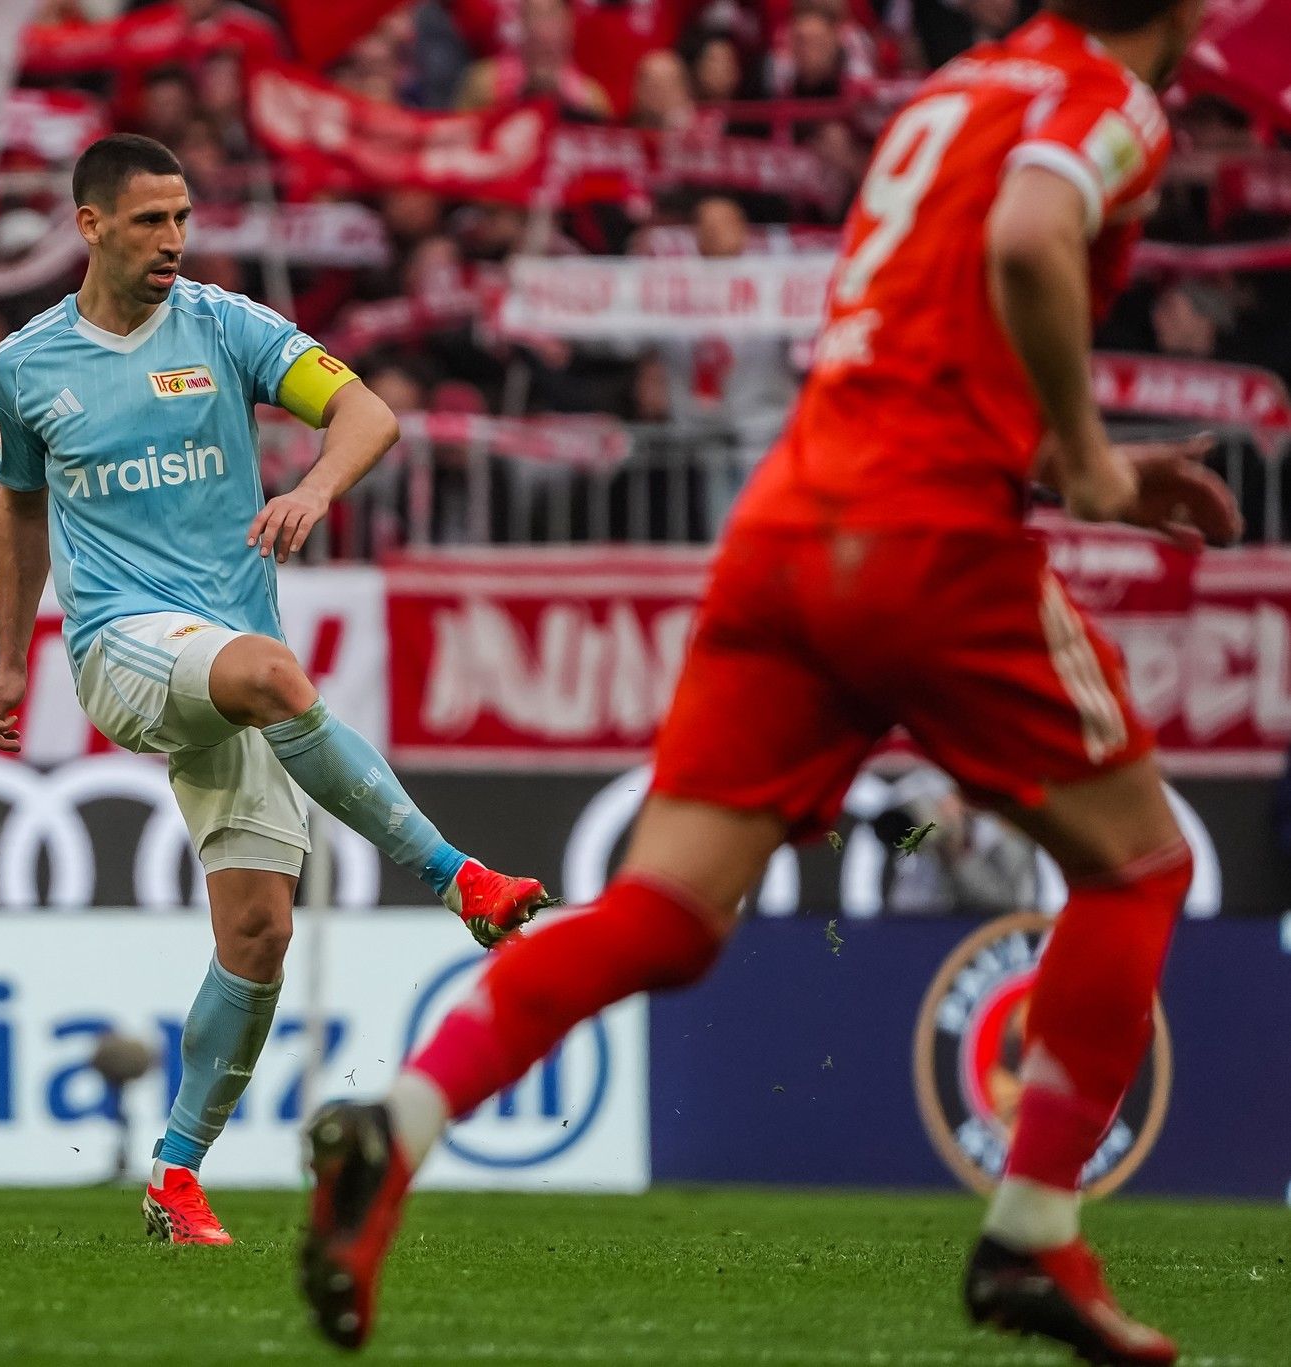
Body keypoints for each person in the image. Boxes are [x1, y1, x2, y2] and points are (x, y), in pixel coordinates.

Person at [297, 3, 1238, 1364]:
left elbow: (918, 335)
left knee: (664, 913)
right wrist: (1087, 469)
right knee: (1137, 863)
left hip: (790, 521)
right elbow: (1029, 237)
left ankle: (403, 1121)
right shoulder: (1111, 105)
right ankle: (1033, 1229)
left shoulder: (956, 88)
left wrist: (1058, 453)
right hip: (927, 538)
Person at [0, 134, 554, 1247]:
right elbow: (19, 504)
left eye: (182, 217)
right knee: (276, 672)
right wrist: (10, 657)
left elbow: (367, 415)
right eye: (149, 221)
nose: (173, 240)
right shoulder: (27, 363)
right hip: (123, 649)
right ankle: (458, 878)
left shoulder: (225, 325)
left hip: (226, 662)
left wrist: (316, 484)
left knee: (259, 931)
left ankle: (174, 1175)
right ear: (89, 225)